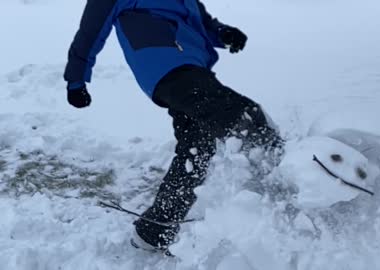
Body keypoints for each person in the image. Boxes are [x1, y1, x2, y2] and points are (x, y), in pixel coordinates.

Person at [64, 0, 282, 252]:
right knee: (242, 117)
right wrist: (76, 80)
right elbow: (90, 32)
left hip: (192, 66)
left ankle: (154, 230)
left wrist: (223, 34)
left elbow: (201, 22)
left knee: (197, 147)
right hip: (163, 64)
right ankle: (293, 180)